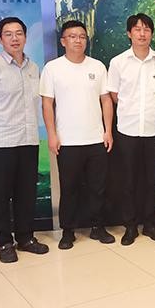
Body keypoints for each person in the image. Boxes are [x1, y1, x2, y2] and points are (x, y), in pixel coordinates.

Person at [0, 16, 49, 263]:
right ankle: (4, 243)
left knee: (27, 192)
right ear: (0, 39)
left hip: (29, 139)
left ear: (25, 37)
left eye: (19, 33)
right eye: (8, 34)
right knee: (1, 194)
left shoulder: (33, 67)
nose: (15, 38)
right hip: (2, 142)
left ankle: (26, 238)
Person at [40, 20, 115, 250]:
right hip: (67, 141)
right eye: (72, 36)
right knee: (69, 188)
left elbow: (106, 100)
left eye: (82, 36)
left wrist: (108, 131)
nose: (78, 40)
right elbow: (47, 104)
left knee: (98, 187)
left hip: (96, 139)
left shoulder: (97, 66)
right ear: (63, 41)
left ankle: (97, 227)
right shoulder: (53, 68)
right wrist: (52, 135)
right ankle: (68, 231)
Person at [107, 13, 155, 245]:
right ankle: (130, 226)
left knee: (152, 180)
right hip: (127, 129)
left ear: (152, 34)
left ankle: (150, 224)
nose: (142, 33)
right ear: (129, 33)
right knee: (127, 180)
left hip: (154, 130)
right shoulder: (118, 62)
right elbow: (114, 94)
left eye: (146, 29)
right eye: (137, 29)